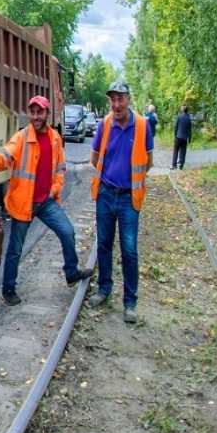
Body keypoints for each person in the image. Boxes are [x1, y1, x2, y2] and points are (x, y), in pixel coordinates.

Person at [0, 95, 93, 306]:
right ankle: (8, 290)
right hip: (23, 203)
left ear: (47, 113)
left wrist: (55, 189)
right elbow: (6, 156)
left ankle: (71, 273)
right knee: (15, 249)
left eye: (40, 112)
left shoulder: (55, 138)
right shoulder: (21, 137)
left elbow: (61, 168)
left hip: (46, 201)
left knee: (68, 232)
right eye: (32, 112)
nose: (35, 116)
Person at [89, 81, 154, 323]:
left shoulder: (142, 125)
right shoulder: (104, 124)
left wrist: (129, 180)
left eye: (120, 99)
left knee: (129, 250)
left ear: (128, 99)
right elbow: (94, 157)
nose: (116, 104)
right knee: (104, 245)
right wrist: (109, 178)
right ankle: (104, 289)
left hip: (129, 198)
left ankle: (130, 303)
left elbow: (147, 161)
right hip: (106, 195)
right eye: (113, 100)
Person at [173, 104, 192, 170]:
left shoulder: (179, 117)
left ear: (182, 110)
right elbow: (189, 130)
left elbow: (176, 126)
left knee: (176, 151)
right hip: (184, 138)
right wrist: (189, 138)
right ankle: (181, 166)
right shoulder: (189, 118)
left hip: (178, 137)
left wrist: (175, 135)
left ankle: (174, 165)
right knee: (183, 152)